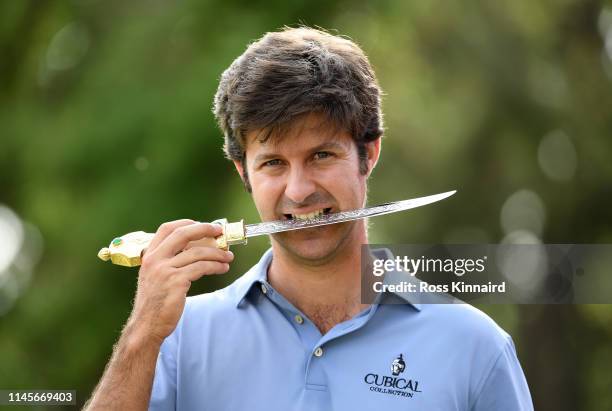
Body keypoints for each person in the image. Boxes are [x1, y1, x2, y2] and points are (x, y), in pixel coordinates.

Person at [85, 27, 533, 410]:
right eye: (273, 163)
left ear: (368, 154)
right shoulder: (176, 341)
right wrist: (142, 333)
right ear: (244, 172)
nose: (298, 190)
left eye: (321, 155)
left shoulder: (475, 348)